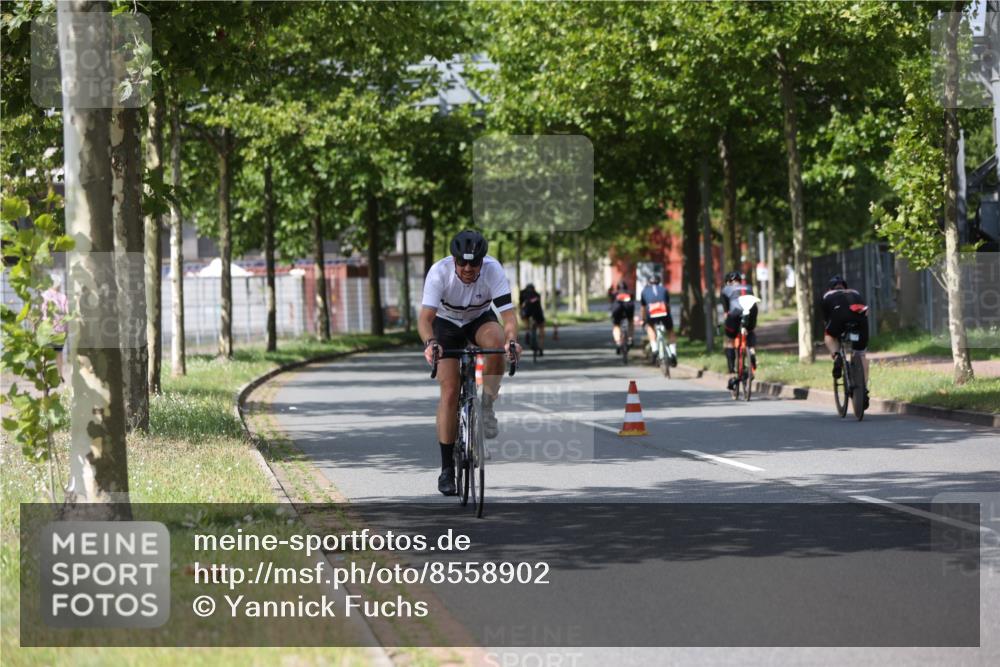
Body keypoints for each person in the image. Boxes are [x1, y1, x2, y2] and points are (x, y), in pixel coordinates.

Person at [419, 230, 521, 496]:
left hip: (478, 318)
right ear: (453, 260)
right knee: (450, 391)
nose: (467, 268)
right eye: (461, 262)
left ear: (481, 261)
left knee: (497, 345)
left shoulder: (493, 270)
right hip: (446, 322)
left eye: (473, 263)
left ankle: (486, 405)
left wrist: (511, 341)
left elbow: (508, 317)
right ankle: (446, 470)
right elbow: (425, 318)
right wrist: (431, 343)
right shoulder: (439, 272)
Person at [821, 275, 870, 408]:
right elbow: (866, 311)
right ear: (845, 287)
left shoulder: (827, 295)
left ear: (830, 288)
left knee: (829, 335)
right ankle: (864, 389)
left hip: (838, 315)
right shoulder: (855, 292)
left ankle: (837, 356)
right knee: (861, 354)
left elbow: (827, 320)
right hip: (859, 316)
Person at [720, 271, 758, 391]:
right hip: (752, 312)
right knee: (749, 330)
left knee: (729, 341)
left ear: (728, 282)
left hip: (735, 313)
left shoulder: (725, 289)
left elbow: (726, 312)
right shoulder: (749, 287)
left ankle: (732, 374)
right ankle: (751, 352)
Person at [640, 273, 677, 366]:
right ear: (659, 281)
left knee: (650, 327)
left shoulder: (644, 291)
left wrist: (644, 319)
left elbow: (643, 308)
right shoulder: (664, 289)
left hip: (651, 311)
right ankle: (673, 353)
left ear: (649, 282)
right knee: (670, 330)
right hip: (663, 310)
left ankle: (654, 349)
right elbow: (667, 305)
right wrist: (668, 316)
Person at [608, 279, 635, 354]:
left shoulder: (615, 294)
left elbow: (611, 304)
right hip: (628, 310)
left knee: (616, 325)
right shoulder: (630, 293)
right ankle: (630, 338)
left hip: (617, 310)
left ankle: (618, 342)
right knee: (630, 321)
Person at [518, 283, 545, 355]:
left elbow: (520, 305)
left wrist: (521, 313)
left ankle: (527, 331)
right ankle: (541, 347)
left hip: (526, 311)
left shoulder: (522, 293)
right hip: (537, 313)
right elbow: (539, 307)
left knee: (525, 319)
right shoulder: (537, 294)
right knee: (541, 327)